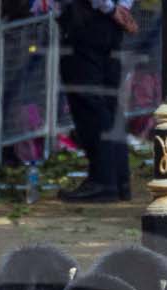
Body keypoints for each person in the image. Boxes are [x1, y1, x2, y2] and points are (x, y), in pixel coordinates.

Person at [54, 0, 135, 203]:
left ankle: (103, 180)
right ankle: (118, 179)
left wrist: (110, 8)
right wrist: (122, 8)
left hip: (89, 22)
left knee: (90, 106)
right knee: (108, 104)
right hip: (110, 24)